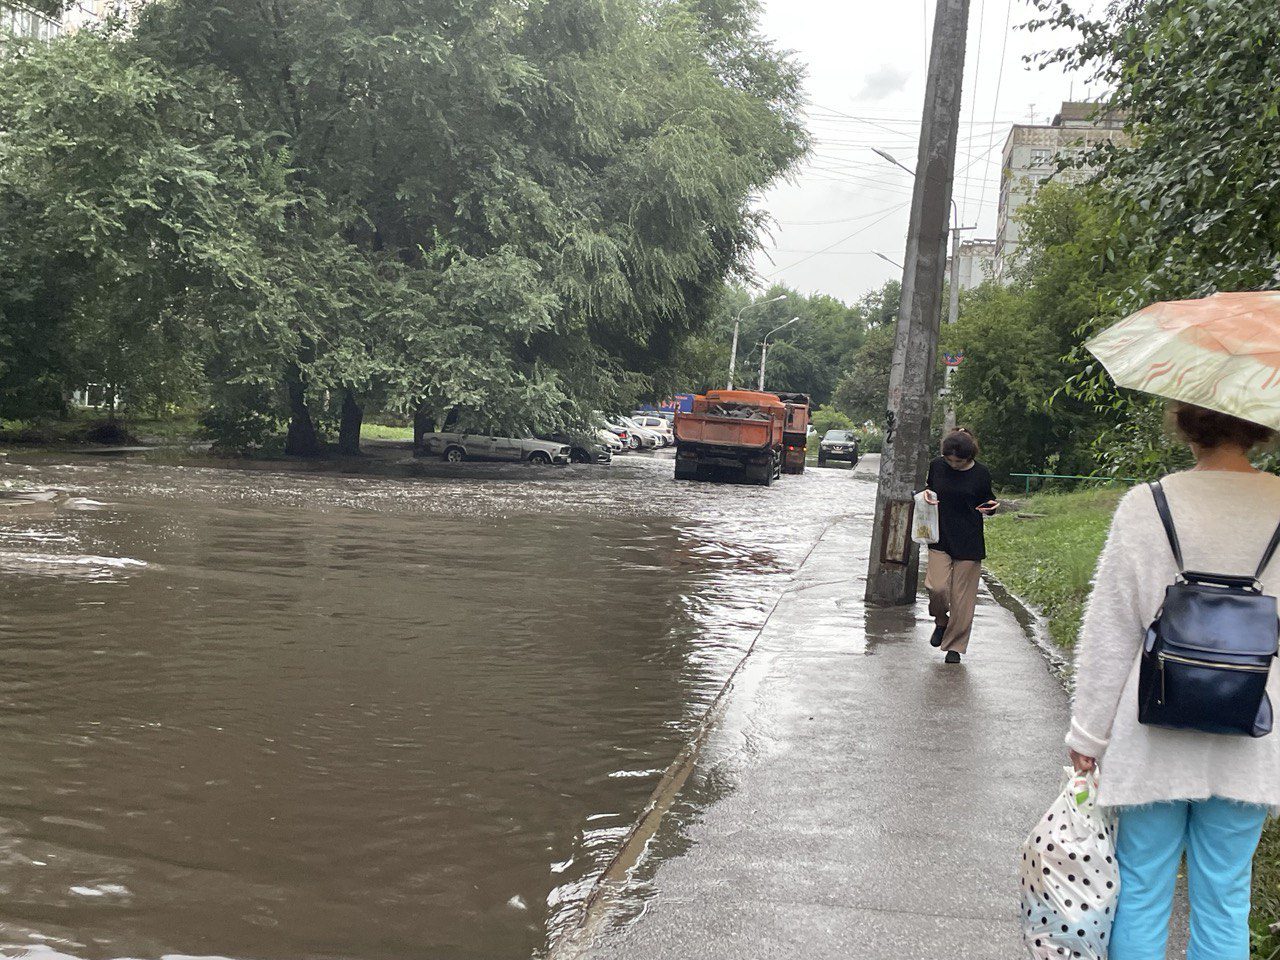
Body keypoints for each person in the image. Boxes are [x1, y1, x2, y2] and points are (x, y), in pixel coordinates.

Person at [1068, 402, 1280, 960]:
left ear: (1186, 423)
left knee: (1140, 888)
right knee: (1226, 897)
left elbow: (1111, 628)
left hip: (1153, 730)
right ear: (1260, 426)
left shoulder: (1148, 505)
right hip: (1251, 734)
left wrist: (1088, 734)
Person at [922, 428, 998, 664]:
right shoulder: (937, 466)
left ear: (969, 457)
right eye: (949, 459)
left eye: (959, 461)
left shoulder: (981, 473)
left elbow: (988, 501)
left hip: (969, 540)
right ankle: (941, 621)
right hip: (940, 537)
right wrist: (926, 494)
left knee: (962, 599)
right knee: (937, 588)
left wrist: (991, 507)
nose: (953, 464)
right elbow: (929, 488)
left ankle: (954, 646)